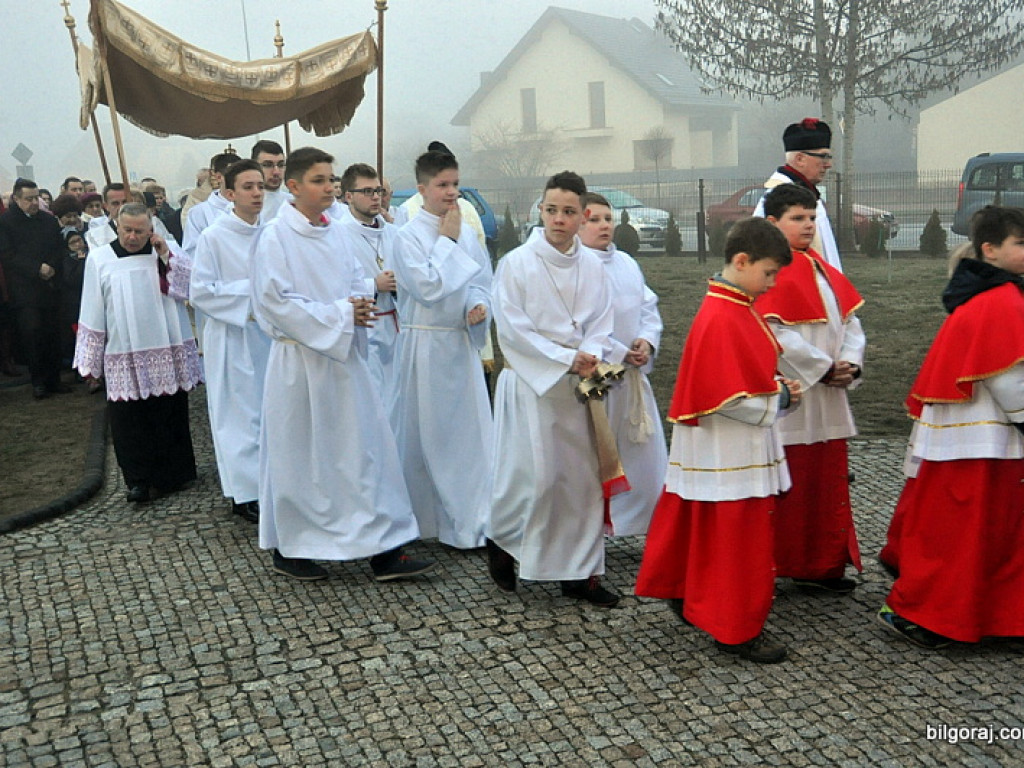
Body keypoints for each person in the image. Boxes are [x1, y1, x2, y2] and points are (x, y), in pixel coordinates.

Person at [250, 146, 433, 583]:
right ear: (293, 186)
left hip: (345, 358)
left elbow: (355, 279)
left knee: (364, 450)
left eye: (332, 179)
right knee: (303, 457)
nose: (330, 187)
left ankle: (384, 548)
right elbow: (273, 303)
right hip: (301, 365)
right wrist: (339, 315)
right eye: (319, 180)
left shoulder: (334, 232)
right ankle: (294, 547)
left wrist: (358, 305)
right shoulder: (275, 237)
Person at [635, 217, 799, 663]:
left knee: (714, 530)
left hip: (729, 444)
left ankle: (691, 594)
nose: (772, 284)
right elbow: (725, 396)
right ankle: (736, 628)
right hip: (729, 446)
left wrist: (778, 389)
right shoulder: (723, 314)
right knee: (736, 539)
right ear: (741, 261)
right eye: (768, 273)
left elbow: (747, 374)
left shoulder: (736, 305)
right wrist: (780, 398)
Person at [877, 206, 1024, 650]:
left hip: (983, 439)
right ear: (990, 250)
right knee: (969, 539)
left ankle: (999, 617)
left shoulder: (991, 293)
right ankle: (926, 617)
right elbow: (1008, 378)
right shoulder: (1001, 300)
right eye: (1021, 243)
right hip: (984, 440)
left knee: (994, 536)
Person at [487, 170, 622, 606]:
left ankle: (580, 573)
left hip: (579, 385)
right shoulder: (517, 264)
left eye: (568, 212)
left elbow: (603, 319)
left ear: (582, 216)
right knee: (536, 478)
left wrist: (590, 353)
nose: (559, 219)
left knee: (581, 480)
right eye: (551, 210)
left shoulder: (593, 266)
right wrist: (566, 358)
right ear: (540, 211)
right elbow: (513, 330)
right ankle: (504, 540)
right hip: (534, 383)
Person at [755, 183, 865, 594]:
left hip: (830, 396)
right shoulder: (768, 273)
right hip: (796, 396)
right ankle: (779, 563)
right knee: (791, 487)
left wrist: (850, 365)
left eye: (812, 218)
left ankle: (822, 565)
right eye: (797, 218)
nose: (807, 225)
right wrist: (822, 368)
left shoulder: (823, 268)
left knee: (826, 483)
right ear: (772, 223)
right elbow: (773, 331)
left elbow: (852, 323)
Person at [392, 149, 493, 550]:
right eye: (442, 185)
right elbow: (429, 288)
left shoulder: (465, 231)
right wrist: (447, 240)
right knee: (429, 436)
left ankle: (472, 518)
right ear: (422, 189)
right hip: (425, 346)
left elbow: (481, 280)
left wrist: (476, 305)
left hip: (459, 344)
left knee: (467, 437)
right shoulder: (407, 236)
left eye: (455, 184)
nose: (451, 193)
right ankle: (427, 518)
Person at [74, 203, 201, 503]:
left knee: (168, 412)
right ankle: (139, 480)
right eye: (126, 230)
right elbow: (92, 305)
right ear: (117, 226)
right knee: (130, 420)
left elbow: (189, 289)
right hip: (124, 349)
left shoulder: (166, 252)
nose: (132, 237)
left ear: (151, 228)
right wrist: (91, 358)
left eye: (139, 231)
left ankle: (175, 474)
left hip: (166, 347)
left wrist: (166, 255)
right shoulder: (100, 258)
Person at [578, 192, 666, 536]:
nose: (603, 226)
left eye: (607, 218)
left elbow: (648, 307)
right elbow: (579, 322)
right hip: (599, 377)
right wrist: (616, 352)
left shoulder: (627, 263)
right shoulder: (576, 267)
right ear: (578, 224)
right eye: (593, 219)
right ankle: (594, 527)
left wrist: (646, 341)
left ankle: (649, 522)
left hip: (633, 377)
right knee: (599, 456)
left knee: (646, 457)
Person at [190, 158, 271, 525]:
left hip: (266, 338)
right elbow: (201, 292)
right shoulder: (214, 236)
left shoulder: (269, 233)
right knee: (239, 416)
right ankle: (244, 492)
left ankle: (269, 484)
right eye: (248, 187)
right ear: (228, 193)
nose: (257, 193)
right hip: (231, 336)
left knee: (266, 411)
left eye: (260, 186)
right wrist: (252, 297)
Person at [334, 163, 403, 434]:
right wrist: (373, 284)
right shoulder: (337, 234)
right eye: (366, 191)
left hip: (396, 328)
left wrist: (400, 284)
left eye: (377, 190)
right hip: (365, 329)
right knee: (372, 406)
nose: (375, 196)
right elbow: (334, 284)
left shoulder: (394, 232)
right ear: (348, 196)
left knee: (398, 403)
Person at [0, 179, 67, 398]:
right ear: (16, 199)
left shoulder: (48, 221)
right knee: (33, 335)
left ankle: (54, 379)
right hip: (25, 290)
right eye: (28, 199)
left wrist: (51, 267)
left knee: (53, 335)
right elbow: (8, 255)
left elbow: (59, 247)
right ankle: (38, 381)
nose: (33, 203)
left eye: (35, 198)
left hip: (50, 285)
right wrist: (36, 268)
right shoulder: (6, 222)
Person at [754, 118, 842, 272]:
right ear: (800, 159)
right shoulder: (777, 199)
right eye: (823, 157)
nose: (828, 164)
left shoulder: (809, 194)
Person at [183, 153, 237, 257]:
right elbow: (192, 252)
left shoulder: (252, 208)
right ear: (218, 177)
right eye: (232, 175)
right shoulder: (198, 213)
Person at [252, 140, 288, 219]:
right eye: (268, 165)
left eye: (281, 165)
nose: (276, 172)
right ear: (254, 166)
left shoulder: (293, 202)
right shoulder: (242, 207)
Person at [85, 182, 127, 250]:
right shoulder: (95, 236)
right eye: (115, 203)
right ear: (106, 206)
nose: (121, 207)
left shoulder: (146, 229)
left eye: (125, 202)